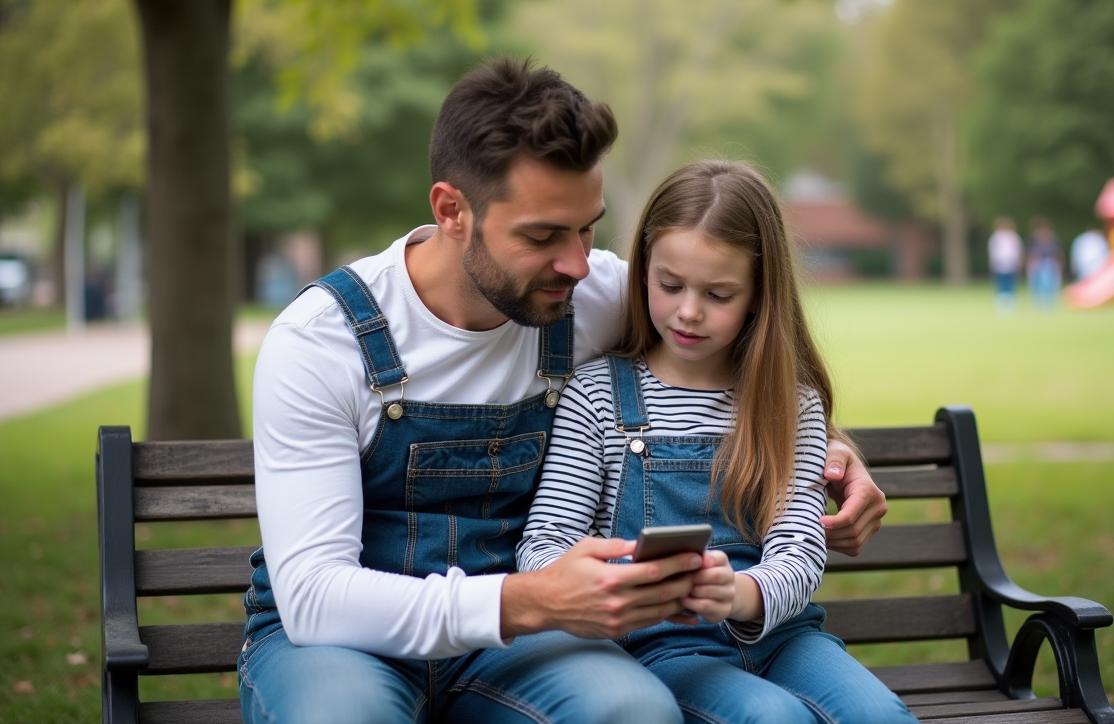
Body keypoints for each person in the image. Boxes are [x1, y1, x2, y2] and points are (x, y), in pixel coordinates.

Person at [239, 58, 889, 724]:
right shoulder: (323, 342)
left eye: (587, 228)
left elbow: (738, 344)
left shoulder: (587, 293)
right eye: (544, 235)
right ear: (451, 210)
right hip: (347, 644)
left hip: (516, 645)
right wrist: (532, 600)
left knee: (633, 712)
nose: (578, 263)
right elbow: (315, 597)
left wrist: (833, 450)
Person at [517, 160, 916, 723]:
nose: (688, 311)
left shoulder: (789, 404)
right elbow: (544, 545)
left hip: (782, 636)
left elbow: (799, 549)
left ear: (758, 295)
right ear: (643, 272)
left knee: (881, 718)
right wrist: (608, 579)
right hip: (660, 645)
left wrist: (736, 594)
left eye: (719, 294)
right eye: (669, 284)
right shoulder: (599, 394)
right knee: (772, 719)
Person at [987, 217, 1022, 314]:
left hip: (1011, 264)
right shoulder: (996, 237)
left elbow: (1017, 251)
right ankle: (1001, 304)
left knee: (1011, 284)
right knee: (1000, 284)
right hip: (999, 264)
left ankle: (1011, 304)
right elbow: (993, 251)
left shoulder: (1013, 237)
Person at [1026, 216, 1062, 310]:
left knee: (1051, 284)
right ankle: (1038, 303)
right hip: (1036, 263)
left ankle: (1049, 303)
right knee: (1036, 284)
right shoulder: (1033, 239)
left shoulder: (1052, 238)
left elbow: (1057, 252)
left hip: (1050, 263)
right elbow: (1029, 252)